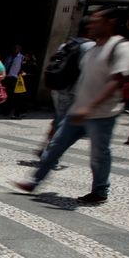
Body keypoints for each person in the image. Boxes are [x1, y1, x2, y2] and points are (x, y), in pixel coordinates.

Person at [14, 7, 129, 204]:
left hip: (102, 114)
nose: (91, 24)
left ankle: (100, 190)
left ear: (110, 22)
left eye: (96, 21)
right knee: (55, 146)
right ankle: (34, 181)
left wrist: (91, 106)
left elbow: (117, 80)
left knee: (99, 153)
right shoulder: (94, 48)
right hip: (78, 110)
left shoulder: (122, 47)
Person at [39, 18, 95, 155]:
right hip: (72, 91)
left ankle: (45, 147)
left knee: (59, 119)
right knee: (65, 124)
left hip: (58, 88)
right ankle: (51, 155)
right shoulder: (91, 46)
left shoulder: (67, 44)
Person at [3, 44, 25, 118]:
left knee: (15, 96)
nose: (15, 50)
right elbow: (5, 66)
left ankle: (17, 112)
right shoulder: (9, 57)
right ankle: (6, 111)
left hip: (15, 78)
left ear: (19, 49)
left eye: (16, 48)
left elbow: (23, 67)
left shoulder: (21, 57)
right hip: (7, 77)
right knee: (7, 94)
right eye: (14, 48)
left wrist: (22, 73)